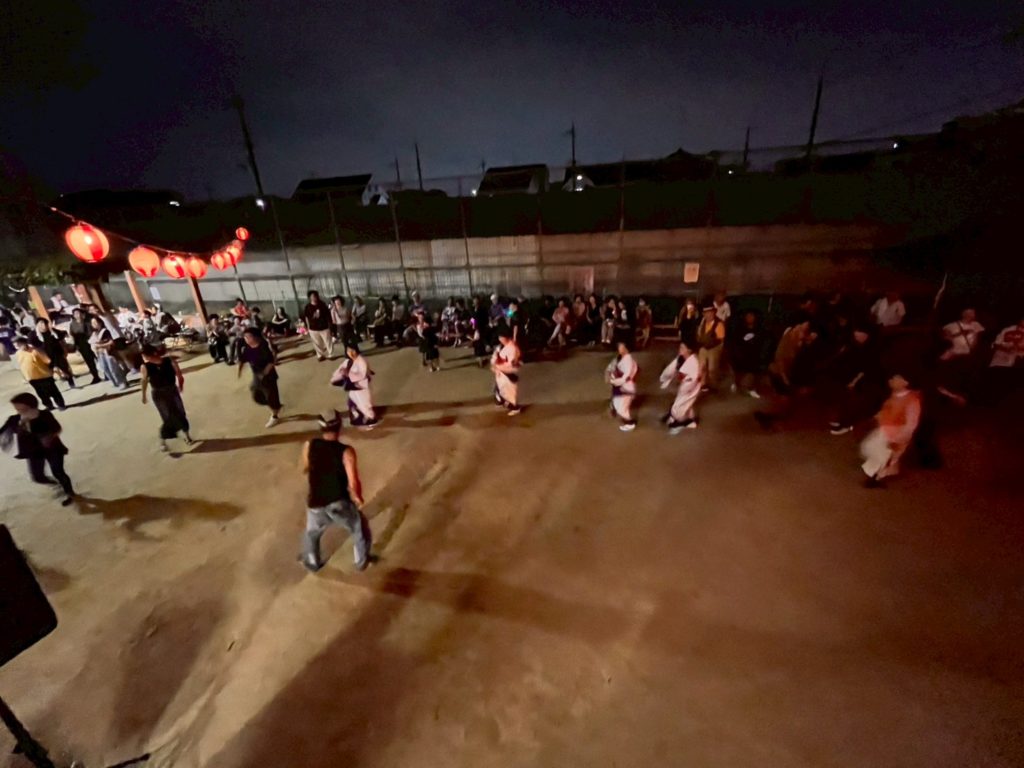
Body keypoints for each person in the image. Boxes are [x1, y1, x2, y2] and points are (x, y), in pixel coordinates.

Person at [299, 409, 372, 573]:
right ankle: (361, 562)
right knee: (358, 528)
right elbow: (353, 482)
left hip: (315, 502)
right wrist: (358, 498)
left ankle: (312, 562)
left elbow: (305, 468)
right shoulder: (346, 452)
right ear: (340, 427)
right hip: (338, 502)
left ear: (320, 427)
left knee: (312, 533)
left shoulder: (310, 445)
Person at [0, 393, 75, 506]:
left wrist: (49, 437)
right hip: (33, 451)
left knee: (58, 472)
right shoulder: (14, 419)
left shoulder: (44, 415)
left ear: (28, 404)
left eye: (19, 407)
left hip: (51, 448)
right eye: (16, 407)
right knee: (37, 477)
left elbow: (57, 428)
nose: (17, 409)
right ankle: (57, 484)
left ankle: (70, 493)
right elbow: (2, 430)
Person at [860, 373, 922, 487]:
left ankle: (875, 479)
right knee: (875, 451)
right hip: (886, 431)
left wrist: (899, 438)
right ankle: (876, 476)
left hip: (894, 434)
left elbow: (910, 424)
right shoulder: (896, 395)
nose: (891, 380)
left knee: (880, 454)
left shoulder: (911, 401)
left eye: (896, 378)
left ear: (905, 382)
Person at [827, 326, 884, 435]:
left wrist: (854, 382)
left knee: (853, 401)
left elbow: (867, 369)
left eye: (860, 333)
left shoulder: (873, 349)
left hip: (868, 380)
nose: (857, 335)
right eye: (856, 332)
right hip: (854, 378)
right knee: (843, 398)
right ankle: (841, 421)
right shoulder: (854, 346)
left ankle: (846, 424)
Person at [139, 344, 193, 452]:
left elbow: (144, 382)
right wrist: (180, 386)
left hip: (161, 393)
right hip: (168, 391)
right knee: (176, 414)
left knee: (171, 416)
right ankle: (185, 436)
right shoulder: (169, 361)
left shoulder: (145, 367)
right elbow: (179, 375)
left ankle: (166, 440)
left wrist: (144, 395)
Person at [237, 328, 281, 427]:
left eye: (248, 337)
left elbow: (271, 362)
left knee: (271, 396)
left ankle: (275, 416)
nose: (246, 339)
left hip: (268, 376)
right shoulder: (247, 348)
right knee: (256, 394)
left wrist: (264, 373)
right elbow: (243, 359)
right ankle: (275, 407)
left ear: (255, 337)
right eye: (245, 337)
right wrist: (239, 370)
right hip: (257, 375)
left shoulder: (263, 346)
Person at [330, 342, 378, 429]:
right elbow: (340, 370)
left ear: (356, 351)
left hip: (361, 386)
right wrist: (335, 379)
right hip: (352, 387)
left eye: (352, 350)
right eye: (348, 351)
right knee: (352, 403)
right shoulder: (347, 361)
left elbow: (362, 375)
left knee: (364, 404)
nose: (350, 353)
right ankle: (358, 418)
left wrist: (348, 373)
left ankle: (371, 419)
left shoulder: (362, 361)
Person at [940, 308, 985, 400]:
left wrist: (974, 349)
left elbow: (978, 338)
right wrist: (960, 333)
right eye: (971, 313)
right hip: (954, 353)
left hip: (967, 354)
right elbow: (945, 338)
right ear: (964, 314)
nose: (973, 315)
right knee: (951, 374)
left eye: (973, 313)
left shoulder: (976, 325)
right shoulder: (951, 326)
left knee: (966, 375)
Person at [659, 341, 702, 433]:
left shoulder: (693, 362)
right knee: (685, 405)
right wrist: (664, 377)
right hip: (682, 386)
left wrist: (683, 387)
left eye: (683, 348)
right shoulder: (680, 358)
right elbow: (669, 370)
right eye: (680, 347)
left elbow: (693, 380)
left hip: (690, 388)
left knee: (679, 407)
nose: (680, 349)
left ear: (689, 350)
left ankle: (684, 421)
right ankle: (690, 420)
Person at [14, 337, 66, 410]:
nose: (16, 346)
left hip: (44, 375)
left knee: (53, 391)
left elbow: (47, 361)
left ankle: (61, 405)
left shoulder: (35, 350)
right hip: (31, 378)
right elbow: (21, 366)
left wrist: (54, 368)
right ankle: (49, 405)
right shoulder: (18, 353)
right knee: (41, 394)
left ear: (24, 343)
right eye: (15, 345)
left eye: (18, 344)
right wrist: (24, 377)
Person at [729, 311, 766, 398]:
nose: (750, 318)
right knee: (736, 364)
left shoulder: (759, 329)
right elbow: (736, 343)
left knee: (754, 367)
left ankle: (751, 388)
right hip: (741, 354)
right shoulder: (740, 329)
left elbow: (761, 342)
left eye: (751, 316)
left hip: (754, 354)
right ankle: (736, 383)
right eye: (748, 316)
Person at [32, 318, 76, 389]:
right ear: (37, 325)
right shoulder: (34, 335)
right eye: (41, 323)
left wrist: (64, 349)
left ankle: (72, 384)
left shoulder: (52, 331)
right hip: (46, 357)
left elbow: (62, 334)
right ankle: (53, 388)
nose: (43, 325)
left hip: (58, 354)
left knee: (65, 369)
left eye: (45, 323)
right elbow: (31, 345)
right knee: (49, 374)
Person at [987, 317, 1024, 402]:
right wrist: (1004, 347)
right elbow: (996, 343)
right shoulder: (1008, 329)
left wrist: (1018, 348)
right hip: (1000, 358)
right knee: (995, 379)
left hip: (1017, 360)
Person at [605, 340, 639, 431]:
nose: (619, 348)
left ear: (626, 348)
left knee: (622, 408)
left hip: (626, 387)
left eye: (621, 346)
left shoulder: (628, 360)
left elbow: (625, 378)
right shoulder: (621, 358)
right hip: (621, 386)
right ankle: (625, 418)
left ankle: (630, 423)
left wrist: (613, 381)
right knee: (617, 403)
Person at [89, 316, 128, 390]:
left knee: (113, 368)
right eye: (92, 323)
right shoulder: (94, 333)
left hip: (108, 352)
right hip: (100, 354)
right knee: (105, 369)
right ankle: (115, 382)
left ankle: (122, 382)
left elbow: (111, 342)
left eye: (95, 322)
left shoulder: (105, 331)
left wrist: (100, 345)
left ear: (100, 323)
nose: (94, 324)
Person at [491, 328, 522, 415]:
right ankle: (501, 401)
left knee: (507, 392)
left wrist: (498, 365)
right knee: (498, 389)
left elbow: (512, 363)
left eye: (501, 337)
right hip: (502, 371)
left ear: (506, 337)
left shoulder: (512, 348)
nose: (499, 339)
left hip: (507, 372)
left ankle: (515, 408)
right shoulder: (503, 346)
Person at [695, 304, 726, 392]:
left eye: (710, 312)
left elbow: (720, 339)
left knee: (712, 369)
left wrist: (709, 343)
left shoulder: (719, 323)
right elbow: (698, 335)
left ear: (714, 313)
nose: (708, 315)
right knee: (702, 367)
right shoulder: (702, 323)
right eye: (706, 313)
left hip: (714, 348)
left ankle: (713, 385)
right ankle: (703, 384)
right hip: (703, 347)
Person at [68, 308, 101, 384]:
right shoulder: (72, 324)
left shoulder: (87, 322)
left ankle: (106, 373)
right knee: (89, 361)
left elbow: (91, 332)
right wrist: (76, 347)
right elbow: (73, 336)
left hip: (91, 342)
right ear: (73, 315)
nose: (78, 315)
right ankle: (95, 376)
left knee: (98, 358)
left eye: (79, 313)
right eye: (76, 314)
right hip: (81, 345)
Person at [302, 290, 334, 361]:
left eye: (315, 296)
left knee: (328, 341)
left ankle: (331, 354)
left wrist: (330, 325)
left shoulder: (322, 305)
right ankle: (320, 355)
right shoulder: (308, 307)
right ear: (309, 298)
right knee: (317, 343)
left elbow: (328, 316)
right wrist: (308, 327)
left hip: (324, 327)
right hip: (313, 328)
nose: (314, 298)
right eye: (312, 296)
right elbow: (306, 317)